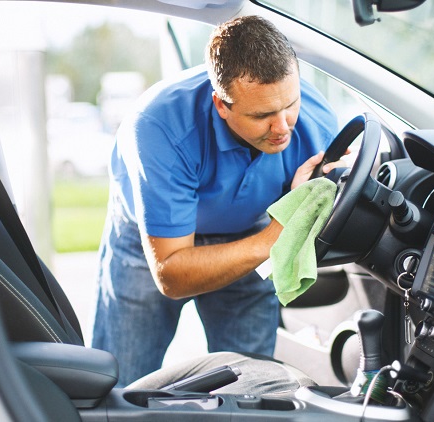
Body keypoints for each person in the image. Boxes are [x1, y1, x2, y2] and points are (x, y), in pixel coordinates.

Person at [92, 15, 340, 386]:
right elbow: (172, 274)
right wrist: (275, 238)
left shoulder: (317, 124)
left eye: (290, 103)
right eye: (261, 115)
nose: (283, 127)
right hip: (153, 244)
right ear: (221, 105)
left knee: (253, 388)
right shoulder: (159, 127)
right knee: (120, 386)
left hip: (251, 228)